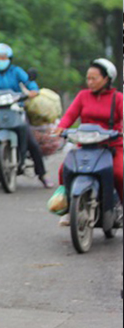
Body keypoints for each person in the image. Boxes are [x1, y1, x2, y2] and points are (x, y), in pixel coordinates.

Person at [0, 43, 53, 188]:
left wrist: (33, 91)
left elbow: (30, 84)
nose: (0, 61)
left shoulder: (16, 71)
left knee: (31, 141)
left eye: (3, 58)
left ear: (9, 59)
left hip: (15, 108)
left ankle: (42, 174)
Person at [55, 58, 123, 224]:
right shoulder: (83, 96)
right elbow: (70, 115)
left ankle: (120, 206)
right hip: (86, 146)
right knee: (64, 170)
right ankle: (69, 207)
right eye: (88, 78)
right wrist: (61, 127)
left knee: (119, 174)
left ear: (106, 79)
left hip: (111, 147)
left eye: (94, 78)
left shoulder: (118, 98)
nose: (90, 82)